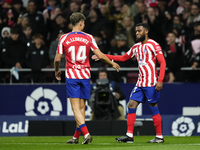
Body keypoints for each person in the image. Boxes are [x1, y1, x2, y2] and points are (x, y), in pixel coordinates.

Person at [92, 23, 166, 143]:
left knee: (153, 107)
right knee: (131, 105)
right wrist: (103, 56)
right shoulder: (136, 47)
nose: (137, 33)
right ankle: (129, 135)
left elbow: (162, 63)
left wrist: (160, 80)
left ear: (146, 31)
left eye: (139, 31)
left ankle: (159, 137)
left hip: (151, 82)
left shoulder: (154, 45)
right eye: (136, 31)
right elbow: (123, 58)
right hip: (140, 82)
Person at [54, 12, 120, 144]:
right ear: (80, 23)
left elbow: (57, 59)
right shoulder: (89, 37)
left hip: (72, 76)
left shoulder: (64, 38)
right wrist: (112, 63)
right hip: (85, 76)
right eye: (84, 23)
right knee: (82, 107)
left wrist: (57, 70)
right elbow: (100, 56)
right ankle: (75, 137)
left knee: (75, 108)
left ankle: (86, 133)